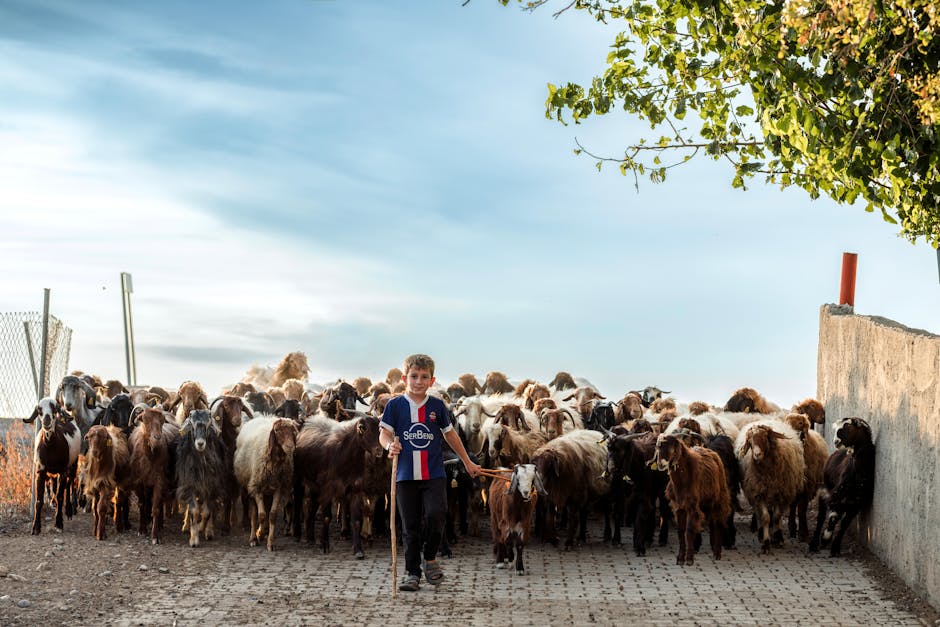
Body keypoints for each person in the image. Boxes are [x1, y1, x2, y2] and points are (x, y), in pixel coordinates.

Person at [379, 353, 481, 592]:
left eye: (424, 377)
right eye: (414, 376)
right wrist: (389, 446)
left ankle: (431, 557)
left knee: (437, 514)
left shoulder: (437, 406)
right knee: (410, 525)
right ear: (405, 378)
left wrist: (466, 461)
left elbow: (450, 434)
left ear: (432, 381)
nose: (418, 381)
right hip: (405, 475)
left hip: (434, 473)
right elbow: (383, 433)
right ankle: (411, 573)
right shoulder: (395, 406)